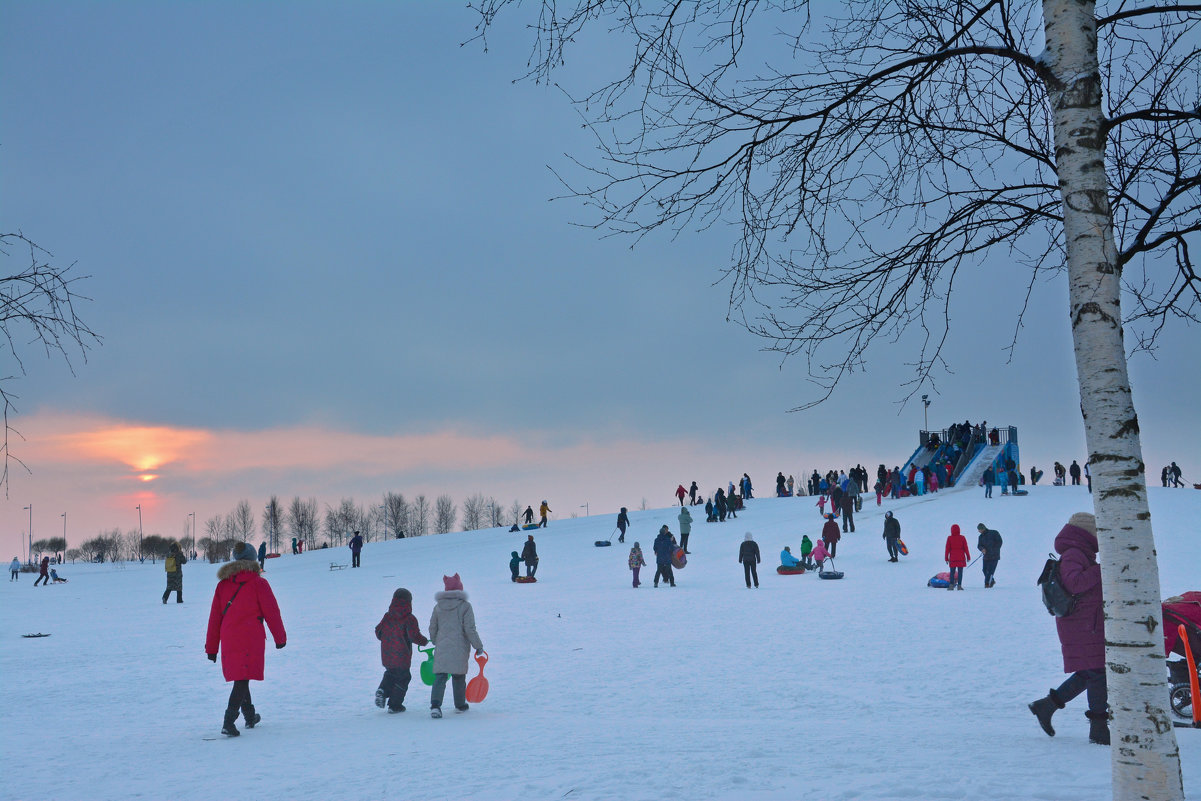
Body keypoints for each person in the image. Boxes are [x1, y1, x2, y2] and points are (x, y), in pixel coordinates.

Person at [1028, 512, 1109, 745]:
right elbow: (1075, 583)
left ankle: (1046, 706)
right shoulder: (1074, 554)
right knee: (1096, 673)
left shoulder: (1079, 553)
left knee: (1091, 672)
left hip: (1085, 623)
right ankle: (1099, 728)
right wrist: (1102, 570)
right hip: (1083, 625)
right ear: (1087, 533)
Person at [205, 542, 287, 737]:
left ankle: (249, 716)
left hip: (229, 637)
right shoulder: (259, 583)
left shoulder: (223, 584)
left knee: (242, 675)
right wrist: (280, 638)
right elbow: (272, 612)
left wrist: (211, 648)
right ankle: (229, 721)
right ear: (252, 560)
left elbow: (215, 618)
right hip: (250, 637)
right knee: (242, 678)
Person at [428, 574, 484, 718]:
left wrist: (435, 641)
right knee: (458, 676)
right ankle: (460, 704)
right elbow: (469, 629)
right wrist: (478, 646)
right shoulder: (465, 606)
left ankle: (435, 706)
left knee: (440, 676)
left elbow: (432, 627)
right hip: (459, 648)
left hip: (442, 646)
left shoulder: (438, 607)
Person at [374, 587, 428, 713]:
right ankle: (395, 705)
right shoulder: (409, 618)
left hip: (387, 654)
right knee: (403, 677)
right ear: (409, 602)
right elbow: (414, 636)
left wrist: (386, 638)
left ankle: (382, 690)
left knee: (390, 674)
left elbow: (378, 631)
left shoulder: (387, 616)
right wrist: (424, 641)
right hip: (402, 656)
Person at [943, 524, 970, 591]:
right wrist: (968, 556)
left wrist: (946, 558)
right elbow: (966, 548)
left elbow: (947, 549)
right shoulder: (962, 537)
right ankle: (959, 586)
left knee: (952, 572)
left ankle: (951, 585)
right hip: (961, 558)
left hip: (953, 558)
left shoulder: (949, 538)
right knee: (960, 572)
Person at [976, 523, 1002, 588]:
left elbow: (1000, 542)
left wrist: (994, 550)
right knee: (984, 570)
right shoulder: (980, 537)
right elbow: (979, 545)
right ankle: (992, 581)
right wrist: (982, 549)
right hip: (986, 556)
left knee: (990, 571)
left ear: (983, 528)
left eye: (980, 529)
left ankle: (987, 584)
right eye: (978, 530)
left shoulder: (994, 533)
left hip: (994, 556)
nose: (979, 531)